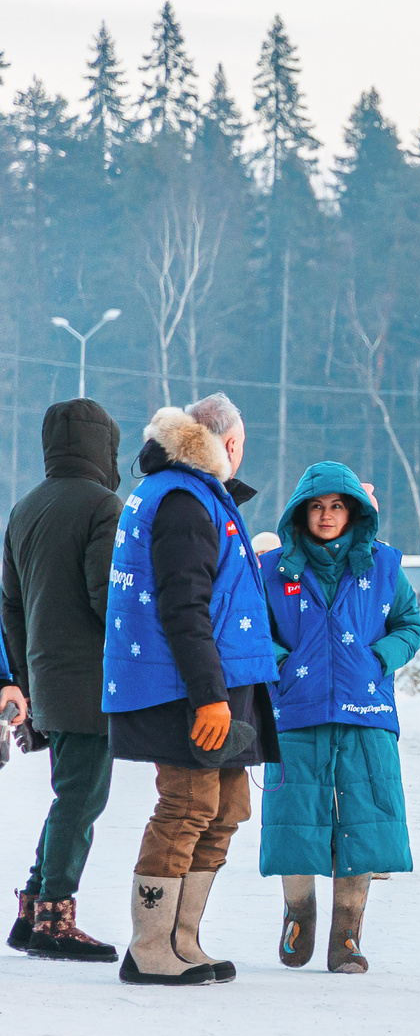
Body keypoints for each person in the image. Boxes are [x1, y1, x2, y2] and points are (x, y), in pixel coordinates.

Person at [104, 395, 281, 986]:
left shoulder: (194, 493)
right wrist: (208, 695)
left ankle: (183, 940)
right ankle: (150, 947)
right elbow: (184, 605)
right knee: (186, 806)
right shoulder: (183, 499)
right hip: (187, 685)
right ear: (228, 445)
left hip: (220, 680)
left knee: (226, 807)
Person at [258, 464, 420, 973]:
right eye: (316, 506)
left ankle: (347, 933)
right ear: (299, 512)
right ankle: (299, 911)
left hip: (366, 710)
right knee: (295, 820)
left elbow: (410, 624)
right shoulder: (272, 571)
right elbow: (252, 635)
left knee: (364, 822)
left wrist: (378, 659)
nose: (326, 515)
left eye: (336, 505)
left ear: (353, 510)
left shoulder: (384, 567)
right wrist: (283, 668)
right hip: (296, 712)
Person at [3, 399, 119, 963]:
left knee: (68, 794)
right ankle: (54, 915)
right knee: (80, 798)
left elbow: (10, 605)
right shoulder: (103, 505)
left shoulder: (24, 509)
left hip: (46, 677)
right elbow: (106, 597)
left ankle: (32, 909)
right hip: (91, 679)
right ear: (104, 446)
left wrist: (24, 681)